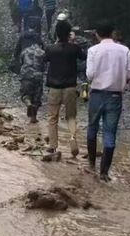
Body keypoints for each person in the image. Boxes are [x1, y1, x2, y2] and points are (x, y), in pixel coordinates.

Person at [86, 20, 130, 182]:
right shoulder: (124, 50)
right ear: (112, 33)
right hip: (115, 96)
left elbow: (89, 74)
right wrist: (119, 75)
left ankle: (91, 164)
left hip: (96, 94)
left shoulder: (93, 50)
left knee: (92, 128)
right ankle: (104, 173)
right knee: (110, 133)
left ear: (97, 34)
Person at [44, 20, 86, 157]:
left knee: (52, 117)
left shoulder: (50, 49)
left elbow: (45, 60)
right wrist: (73, 41)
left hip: (54, 88)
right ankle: (73, 140)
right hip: (70, 88)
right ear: (69, 34)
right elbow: (83, 57)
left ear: (56, 33)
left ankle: (53, 146)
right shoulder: (74, 48)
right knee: (71, 117)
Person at [16, 19, 46, 123]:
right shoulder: (42, 52)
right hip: (38, 76)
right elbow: (44, 66)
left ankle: (28, 103)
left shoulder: (25, 51)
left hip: (26, 74)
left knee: (25, 94)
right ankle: (34, 118)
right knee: (37, 98)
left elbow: (20, 60)